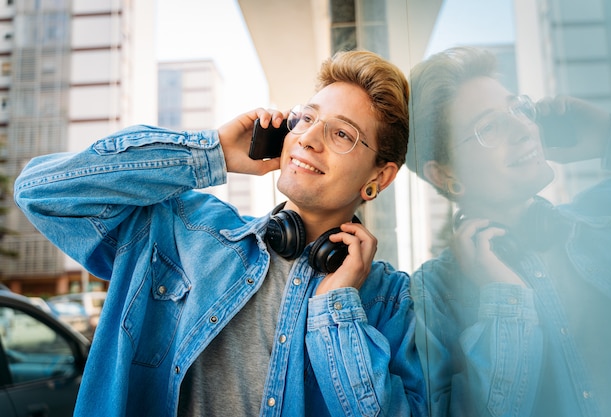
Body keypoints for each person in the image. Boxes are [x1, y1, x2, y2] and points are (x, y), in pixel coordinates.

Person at [14, 50, 428, 416]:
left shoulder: (389, 300)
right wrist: (210, 153)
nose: (308, 139)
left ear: (380, 176)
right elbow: (41, 193)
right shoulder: (183, 228)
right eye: (307, 118)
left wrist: (336, 310)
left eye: (341, 133)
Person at [407, 46, 611, 417]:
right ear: (445, 175)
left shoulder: (609, 215)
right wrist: (505, 302)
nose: (525, 128)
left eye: (518, 109)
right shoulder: (432, 297)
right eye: (489, 127)